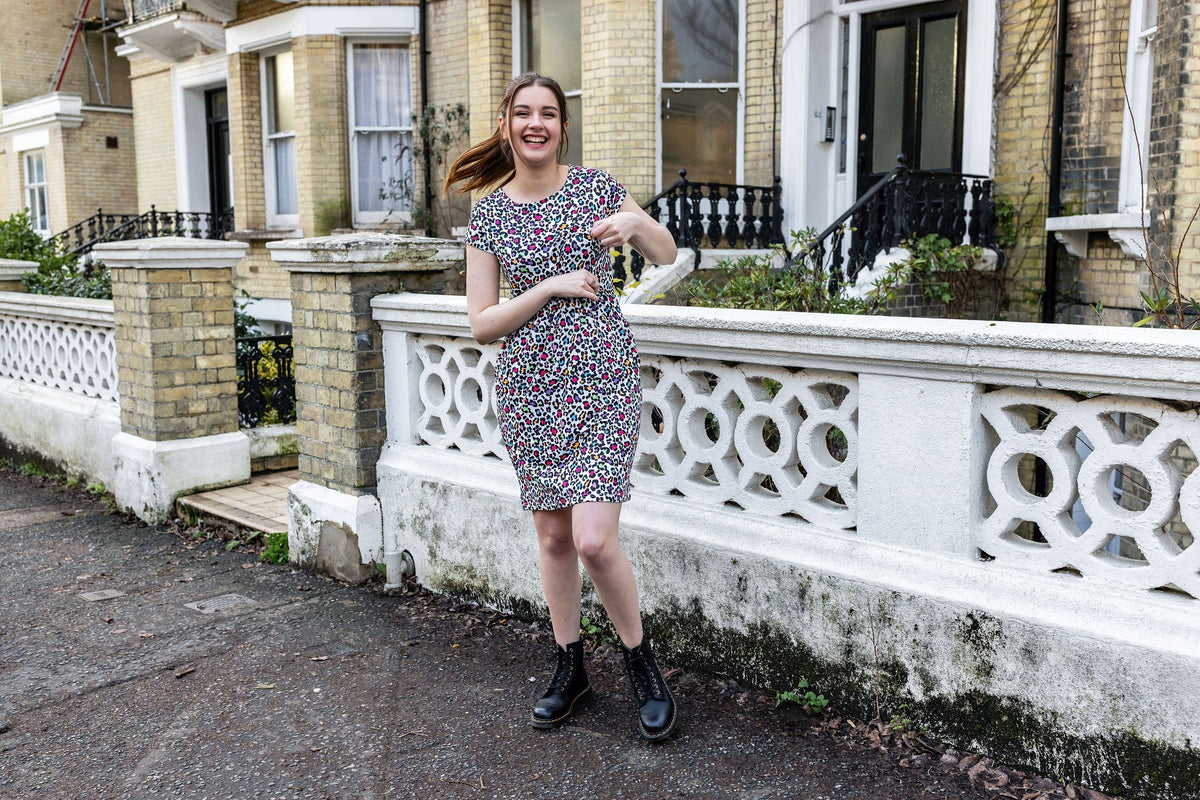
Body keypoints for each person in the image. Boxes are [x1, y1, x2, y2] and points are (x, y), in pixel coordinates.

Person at [445, 72, 679, 741]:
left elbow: (665, 256)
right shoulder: (489, 214)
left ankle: (641, 665)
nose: (536, 123)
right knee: (551, 536)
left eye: (548, 113)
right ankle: (569, 666)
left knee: (594, 541)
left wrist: (639, 222)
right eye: (524, 113)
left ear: (563, 126)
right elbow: (483, 323)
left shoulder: (596, 188)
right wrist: (546, 286)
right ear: (506, 123)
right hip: (530, 387)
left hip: (603, 377)